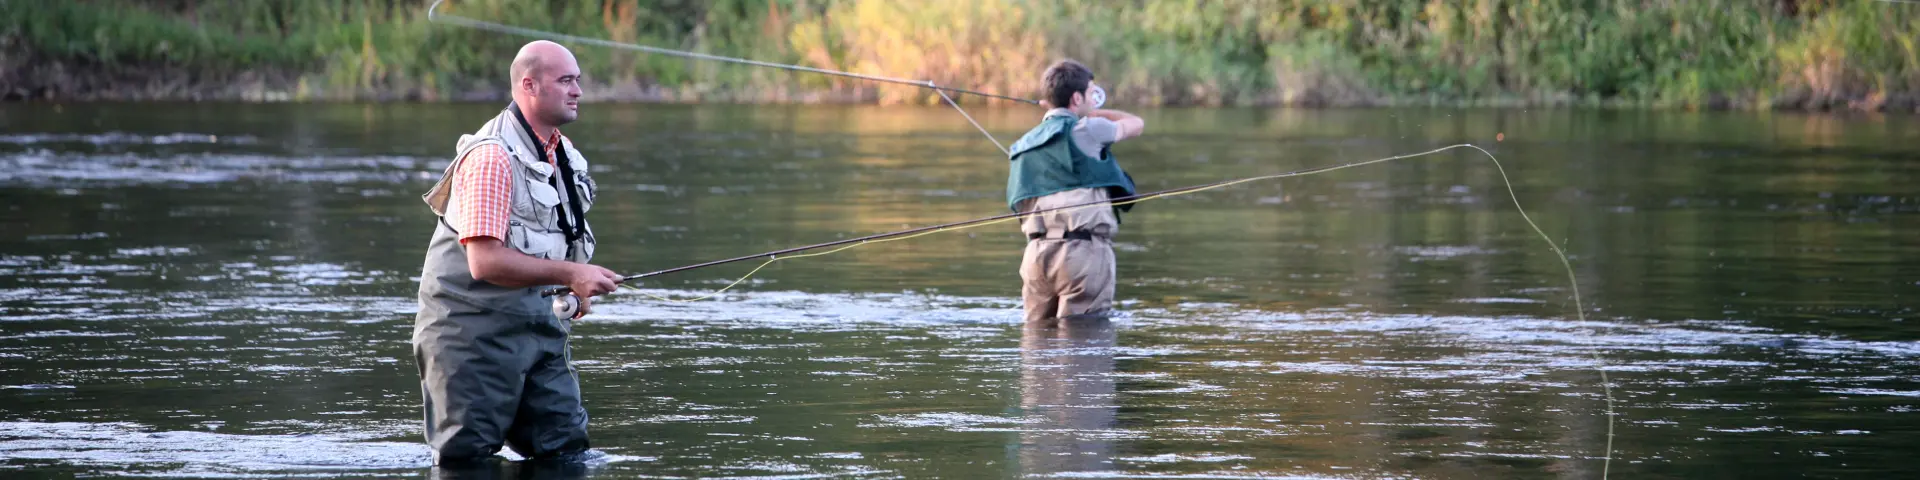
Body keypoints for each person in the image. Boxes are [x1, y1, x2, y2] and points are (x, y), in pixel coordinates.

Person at [412, 40, 621, 466]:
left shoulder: (564, 155)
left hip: (540, 331)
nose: (578, 90)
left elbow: (557, 235)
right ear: (529, 85)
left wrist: (574, 281)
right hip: (470, 338)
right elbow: (484, 261)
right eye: (566, 81)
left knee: (566, 454)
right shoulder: (492, 158)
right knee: (466, 463)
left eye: (578, 80)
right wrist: (572, 273)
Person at [1004, 59, 1146, 327]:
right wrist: (1093, 113)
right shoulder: (1089, 128)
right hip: (1083, 254)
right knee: (1084, 347)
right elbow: (1135, 123)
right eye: (1091, 92)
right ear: (1077, 97)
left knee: (1037, 351)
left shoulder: (1021, 145)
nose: (1094, 98)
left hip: (1035, 255)